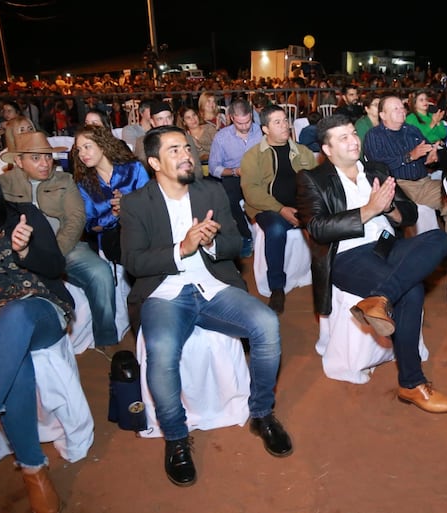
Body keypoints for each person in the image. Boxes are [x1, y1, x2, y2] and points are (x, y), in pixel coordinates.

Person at [119, 125, 293, 487]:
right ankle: (176, 437)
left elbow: (234, 245)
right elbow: (134, 263)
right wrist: (180, 249)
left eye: (186, 147)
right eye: (174, 150)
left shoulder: (210, 190)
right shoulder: (137, 203)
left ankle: (261, 413)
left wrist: (212, 243)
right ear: (154, 162)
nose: (185, 155)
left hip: (212, 287)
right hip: (164, 293)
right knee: (162, 350)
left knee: (267, 324)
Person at [296, 114, 447, 413]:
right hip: (346, 257)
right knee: (412, 291)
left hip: (387, 247)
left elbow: (408, 214)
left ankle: (381, 299)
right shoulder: (312, 179)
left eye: (353, 133)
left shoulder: (376, 170)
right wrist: (369, 210)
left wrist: (390, 210)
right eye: (343, 137)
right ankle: (412, 383)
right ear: (328, 149)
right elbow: (317, 228)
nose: (353, 140)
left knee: (437, 238)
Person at [0, 151, 73, 513]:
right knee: (12, 358)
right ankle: (35, 472)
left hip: (37, 310)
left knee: (17, 315)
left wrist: (24, 251)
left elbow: (55, 266)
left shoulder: (25, 215)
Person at [0, 131, 120, 349]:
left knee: (100, 273)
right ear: (19, 161)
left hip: (64, 247)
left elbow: (76, 219)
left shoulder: (64, 180)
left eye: (47, 157)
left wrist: (53, 253)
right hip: (19, 252)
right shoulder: (4, 185)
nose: (45, 163)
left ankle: (107, 341)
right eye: (36, 158)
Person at [240, 104, 318, 313]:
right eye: (277, 122)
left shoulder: (302, 152)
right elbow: (251, 192)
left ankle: (327, 275)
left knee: (327, 223)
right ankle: (277, 287)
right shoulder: (253, 156)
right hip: (268, 209)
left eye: (285, 120)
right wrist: (281, 209)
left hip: (301, 206)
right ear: (265, 129)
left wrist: (305, 208)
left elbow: (315, 183)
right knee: (275, 229)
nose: (285, 125)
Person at [363, 95, 447, 242]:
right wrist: (409, 157)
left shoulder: (412, 130)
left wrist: (431, 158)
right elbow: (377, 167)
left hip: (424, 182)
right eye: (395, 108)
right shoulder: (374, 136)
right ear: (383, 115)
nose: (401, 111)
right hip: (399, 187)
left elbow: (422, 155)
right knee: (408, 214)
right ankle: (416, 251)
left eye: (401, 107)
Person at [72, 124, 150, 273]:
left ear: (102, 145)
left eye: (87, 147)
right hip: (111, 250)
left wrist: (127, 203)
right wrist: (114, 214)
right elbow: (90, 225)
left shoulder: (133, 168)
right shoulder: (84, 184)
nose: (82, 154)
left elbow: (151, 203)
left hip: (144, 241)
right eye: (79, 150)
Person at [208, 99, 263, 259]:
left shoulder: (261, 132)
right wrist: (234, 171)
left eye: (248, 122)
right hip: (233, 176)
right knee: (229, 200)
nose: (245, 126)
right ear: (232, 118)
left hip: (259, 175)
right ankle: (245, 236)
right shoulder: (222, 137)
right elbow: (214, 168)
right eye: (240, 123)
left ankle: (266, 232)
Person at [134, 101, 202, 181]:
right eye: (160, 119)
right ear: (152, 122)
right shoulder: (143, 142)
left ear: (172, 119)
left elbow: (197, 170)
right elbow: (142, 175)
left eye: (168, 118)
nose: (165, 122)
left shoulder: (185, 138)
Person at [405, 89, 447, 172]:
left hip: (439, 148)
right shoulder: (411, 118)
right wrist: (433, 123)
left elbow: (443, 134)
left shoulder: (432, 115)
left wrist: (437, 123)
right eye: (421, 100)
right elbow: (419, 136)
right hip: (424, 150)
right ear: (414, 103)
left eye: (426, 99)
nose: (425, 102)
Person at [176, 105, 217, 174]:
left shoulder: (209, 128)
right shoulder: (184, 137)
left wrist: (200, 147)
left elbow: (219, 149)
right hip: (197, 170)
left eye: (194, 115)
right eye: (188, 118)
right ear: (184, 122)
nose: (193, 119)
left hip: (216, 165)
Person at [354, 93, 380, 160]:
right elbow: (359, 148)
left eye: (381, 105)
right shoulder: (361, 125)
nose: (380, 108)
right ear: (367, 109)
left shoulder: (384, 121)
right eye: (376, 105)